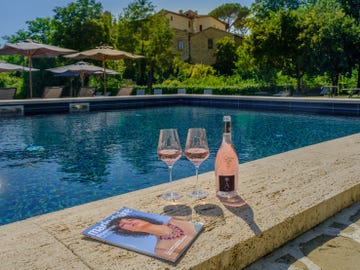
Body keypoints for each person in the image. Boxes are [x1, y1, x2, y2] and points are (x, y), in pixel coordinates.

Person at [107, 214, 198, 261]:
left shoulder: (174, 219)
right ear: (125, 231)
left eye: (130, 219)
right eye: (123, 225)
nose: (129, 222)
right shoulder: (160, 249)